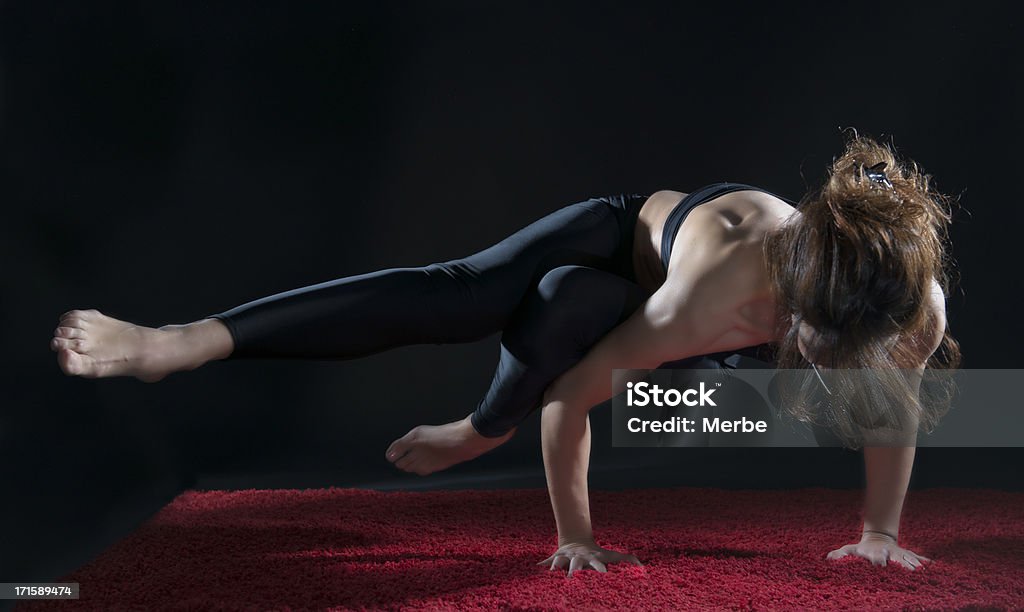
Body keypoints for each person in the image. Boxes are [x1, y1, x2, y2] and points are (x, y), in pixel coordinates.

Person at [51, 132, 960, 576]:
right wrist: (569, 529)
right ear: (795, 310)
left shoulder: (911, 307)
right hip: (619, 248)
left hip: (715, 338)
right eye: (822, 351)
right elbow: (569, 397)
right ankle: (182, 343)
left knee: (589, 329)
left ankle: (483, 422)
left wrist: (881, 532)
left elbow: (895, 415)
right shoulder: (710, 297)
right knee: (504, 296)